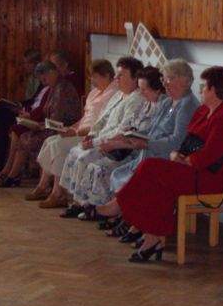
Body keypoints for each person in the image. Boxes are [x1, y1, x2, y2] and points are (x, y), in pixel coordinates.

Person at [98, 66, 223, 263]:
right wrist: (179, 155)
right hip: (191, 170)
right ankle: (152, 238)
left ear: (214, 90)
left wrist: (184, 159)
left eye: (204, 86)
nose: (201, 90)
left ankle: (120, 205)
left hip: (208, 179)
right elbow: (188, 140)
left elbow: (210, 155)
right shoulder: (203, 111)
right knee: (157, 181)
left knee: (150, 167)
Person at [104, 59, 199, 238]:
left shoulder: (187, 105)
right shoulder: (168, 102)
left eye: (169, 78)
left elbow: (176, 142)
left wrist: (146, 143)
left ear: (184, 80)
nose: (165, 83)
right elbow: (151, 129)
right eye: (164, 78)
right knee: (119, 173)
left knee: (140, 176)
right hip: (151, 154)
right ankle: (131, 219)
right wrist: (130, 136)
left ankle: (133, 221)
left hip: (168, 158)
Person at [68, 66, 165, 216]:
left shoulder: (159, 105)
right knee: (88, 159)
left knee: (98, 166)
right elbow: (114, 123)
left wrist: (115, 141)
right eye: (140, 89)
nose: (141, 93)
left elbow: (150, 135)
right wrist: (98, 136)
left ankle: (103, 209)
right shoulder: (146, 103)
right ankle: (88, 205)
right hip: (128, 146)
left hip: (135, 152)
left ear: (157, 90)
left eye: (144, 89)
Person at [58, 56, 145, 218]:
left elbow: (122, 131)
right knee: (74, 152)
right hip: (101, 139)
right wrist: (91, 134)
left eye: (121, 75)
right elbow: (102, 119)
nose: (116, 78)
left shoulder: (137, 99)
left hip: (119, 148)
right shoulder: (119, 95)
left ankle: (88, 204)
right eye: (117, 74)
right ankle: (77, 202)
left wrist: (95, 142)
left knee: (84, 158)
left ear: (135, 78)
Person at [25, 59, 118, 205]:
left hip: (92, 135)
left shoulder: (113, 94)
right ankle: (43, 186)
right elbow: (85, 118)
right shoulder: (94, 93)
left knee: (59, 145)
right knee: (50, 141)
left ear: (106, 75)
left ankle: (58, 193)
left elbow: (101, 124)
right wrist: (72, 128)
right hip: (80, 130)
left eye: (95, 77)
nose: (92, 81)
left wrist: (76, 132)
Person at [0, 61, 81, 187]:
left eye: (45, 79)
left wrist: (41, 125)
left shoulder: (62, 89)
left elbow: (58, 118)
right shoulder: (54, 87)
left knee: (27, 139)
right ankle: (13, 176)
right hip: (52, 125)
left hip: (63, 129)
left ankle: (16, 177)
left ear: (52, 72)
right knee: (23, 136)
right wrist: (39, 124)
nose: (44, 83)